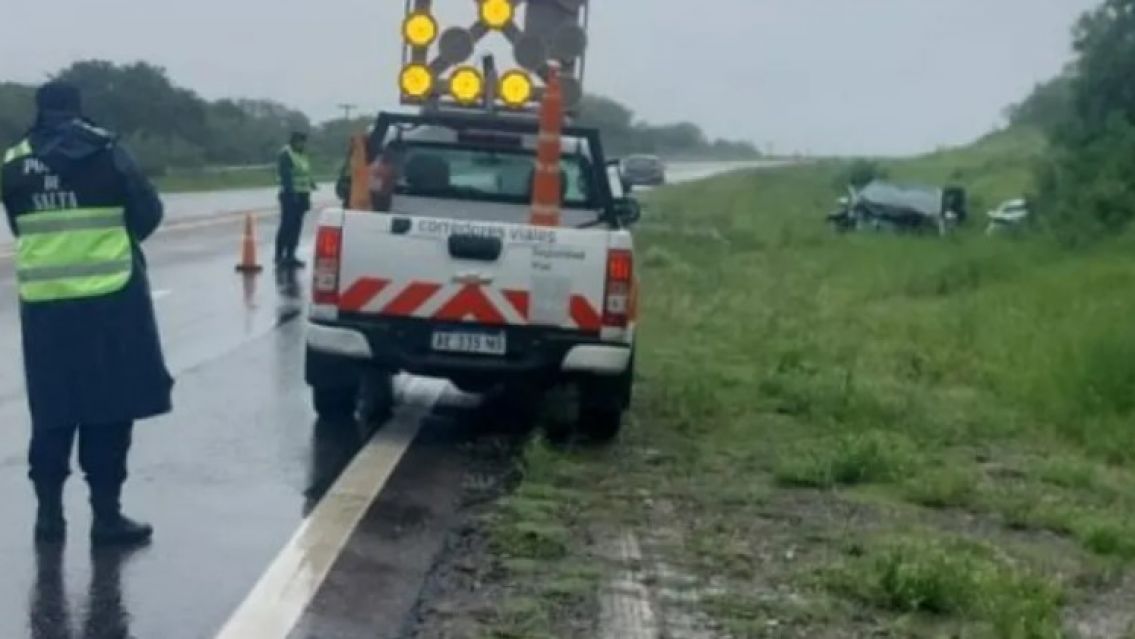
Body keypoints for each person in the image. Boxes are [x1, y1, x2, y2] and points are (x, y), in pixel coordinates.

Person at [0, 81, 173, 546]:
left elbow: (19, 224)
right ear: (78, 108)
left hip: (45, 305)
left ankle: (49, 517)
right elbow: (148, 212)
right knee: (108, 409)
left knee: (52, 408)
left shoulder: (13, 162)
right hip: (109, 299)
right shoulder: (106, 151)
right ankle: (106, 517)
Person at [276, 131, 316, 268]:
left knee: (297, 227)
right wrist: (292, 194)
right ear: (293, 142)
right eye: (300, 142)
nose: (302, 144)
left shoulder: (303, 154)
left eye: (303, 142)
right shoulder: (286, 155)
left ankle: (291, 255)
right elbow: (286, 176)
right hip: (290, 195)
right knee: (287, 225)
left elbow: (305, 172)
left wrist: (311, 183)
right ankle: (279, 255)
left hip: (303, 194)